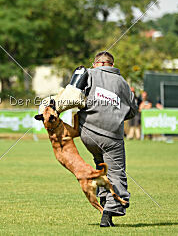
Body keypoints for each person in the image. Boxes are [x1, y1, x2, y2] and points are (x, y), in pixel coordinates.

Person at [38, 51, 137, 227]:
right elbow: (132, 110)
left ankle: (104, 199)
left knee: (101, 168)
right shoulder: (122, 83)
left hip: (88, 136)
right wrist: (116, 113)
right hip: (112, 136)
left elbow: (70, 98)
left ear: (95, 64)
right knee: (116, 172)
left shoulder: (87, 74)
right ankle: (110, 210)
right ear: (111, 65)